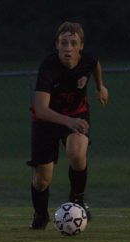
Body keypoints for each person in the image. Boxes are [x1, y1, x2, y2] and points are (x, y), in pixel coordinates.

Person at [27, 21, 108, 230]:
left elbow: (96, 65)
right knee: (42, 180)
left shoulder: (87, 60)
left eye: (73, 43)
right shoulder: (48, 66)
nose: (68, 48)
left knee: (76, 152)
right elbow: (41, 109)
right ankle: (40, 215)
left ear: (81, 46)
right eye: (64, 43)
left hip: (76, 113)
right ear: (57, 45)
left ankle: (77, 200)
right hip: (46, 120)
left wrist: (100, 87)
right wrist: (69, 122)